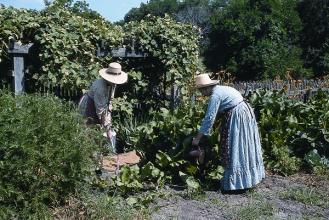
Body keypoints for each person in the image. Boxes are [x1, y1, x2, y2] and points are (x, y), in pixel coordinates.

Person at [191, 73, 265, 192]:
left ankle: (237, 184)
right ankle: (249, 179)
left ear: (205, 88)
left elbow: (209, 118)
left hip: (238, 116)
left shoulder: (215, 95)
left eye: (201, 90)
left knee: (236, 146)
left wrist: (198, 138)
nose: (201, 94)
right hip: (244, 112)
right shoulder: (222, 89)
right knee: (245, 145)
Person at [78, 62, 128, 138]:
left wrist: (108, 118)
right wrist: (107, 128)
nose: (115, 82)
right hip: (90, 104)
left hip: (99, 104)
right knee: (89, 129)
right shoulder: (100, 88)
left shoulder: (112, 84)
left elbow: (110, 99)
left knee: (103, 128)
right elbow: (100, 110)